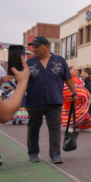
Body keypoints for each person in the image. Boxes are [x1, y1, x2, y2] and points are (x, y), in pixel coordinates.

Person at [24, 36, 79, 164]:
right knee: (33, 127)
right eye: (33, 47)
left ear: (47, 46)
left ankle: (55, 154)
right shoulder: (29, 63)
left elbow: (68, 78)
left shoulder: (59, 60)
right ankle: (33, 153)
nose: (34, 49)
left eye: (37, 46)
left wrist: (74, 92)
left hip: (54, 101)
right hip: (34, 101)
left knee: (54, 128)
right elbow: (22, 81)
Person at [61, 66, 91, 130]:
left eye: (77, 70)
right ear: (69, 70)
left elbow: (81, 88)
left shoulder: (78, 79)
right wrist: (73, 86)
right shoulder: (66, 78)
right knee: (71, 111)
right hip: (70, 98)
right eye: (74, 69)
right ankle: (71, 125)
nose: (76, 71)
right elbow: (63, 86)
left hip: (78, 99)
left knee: (79, 111)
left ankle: (78, 124)